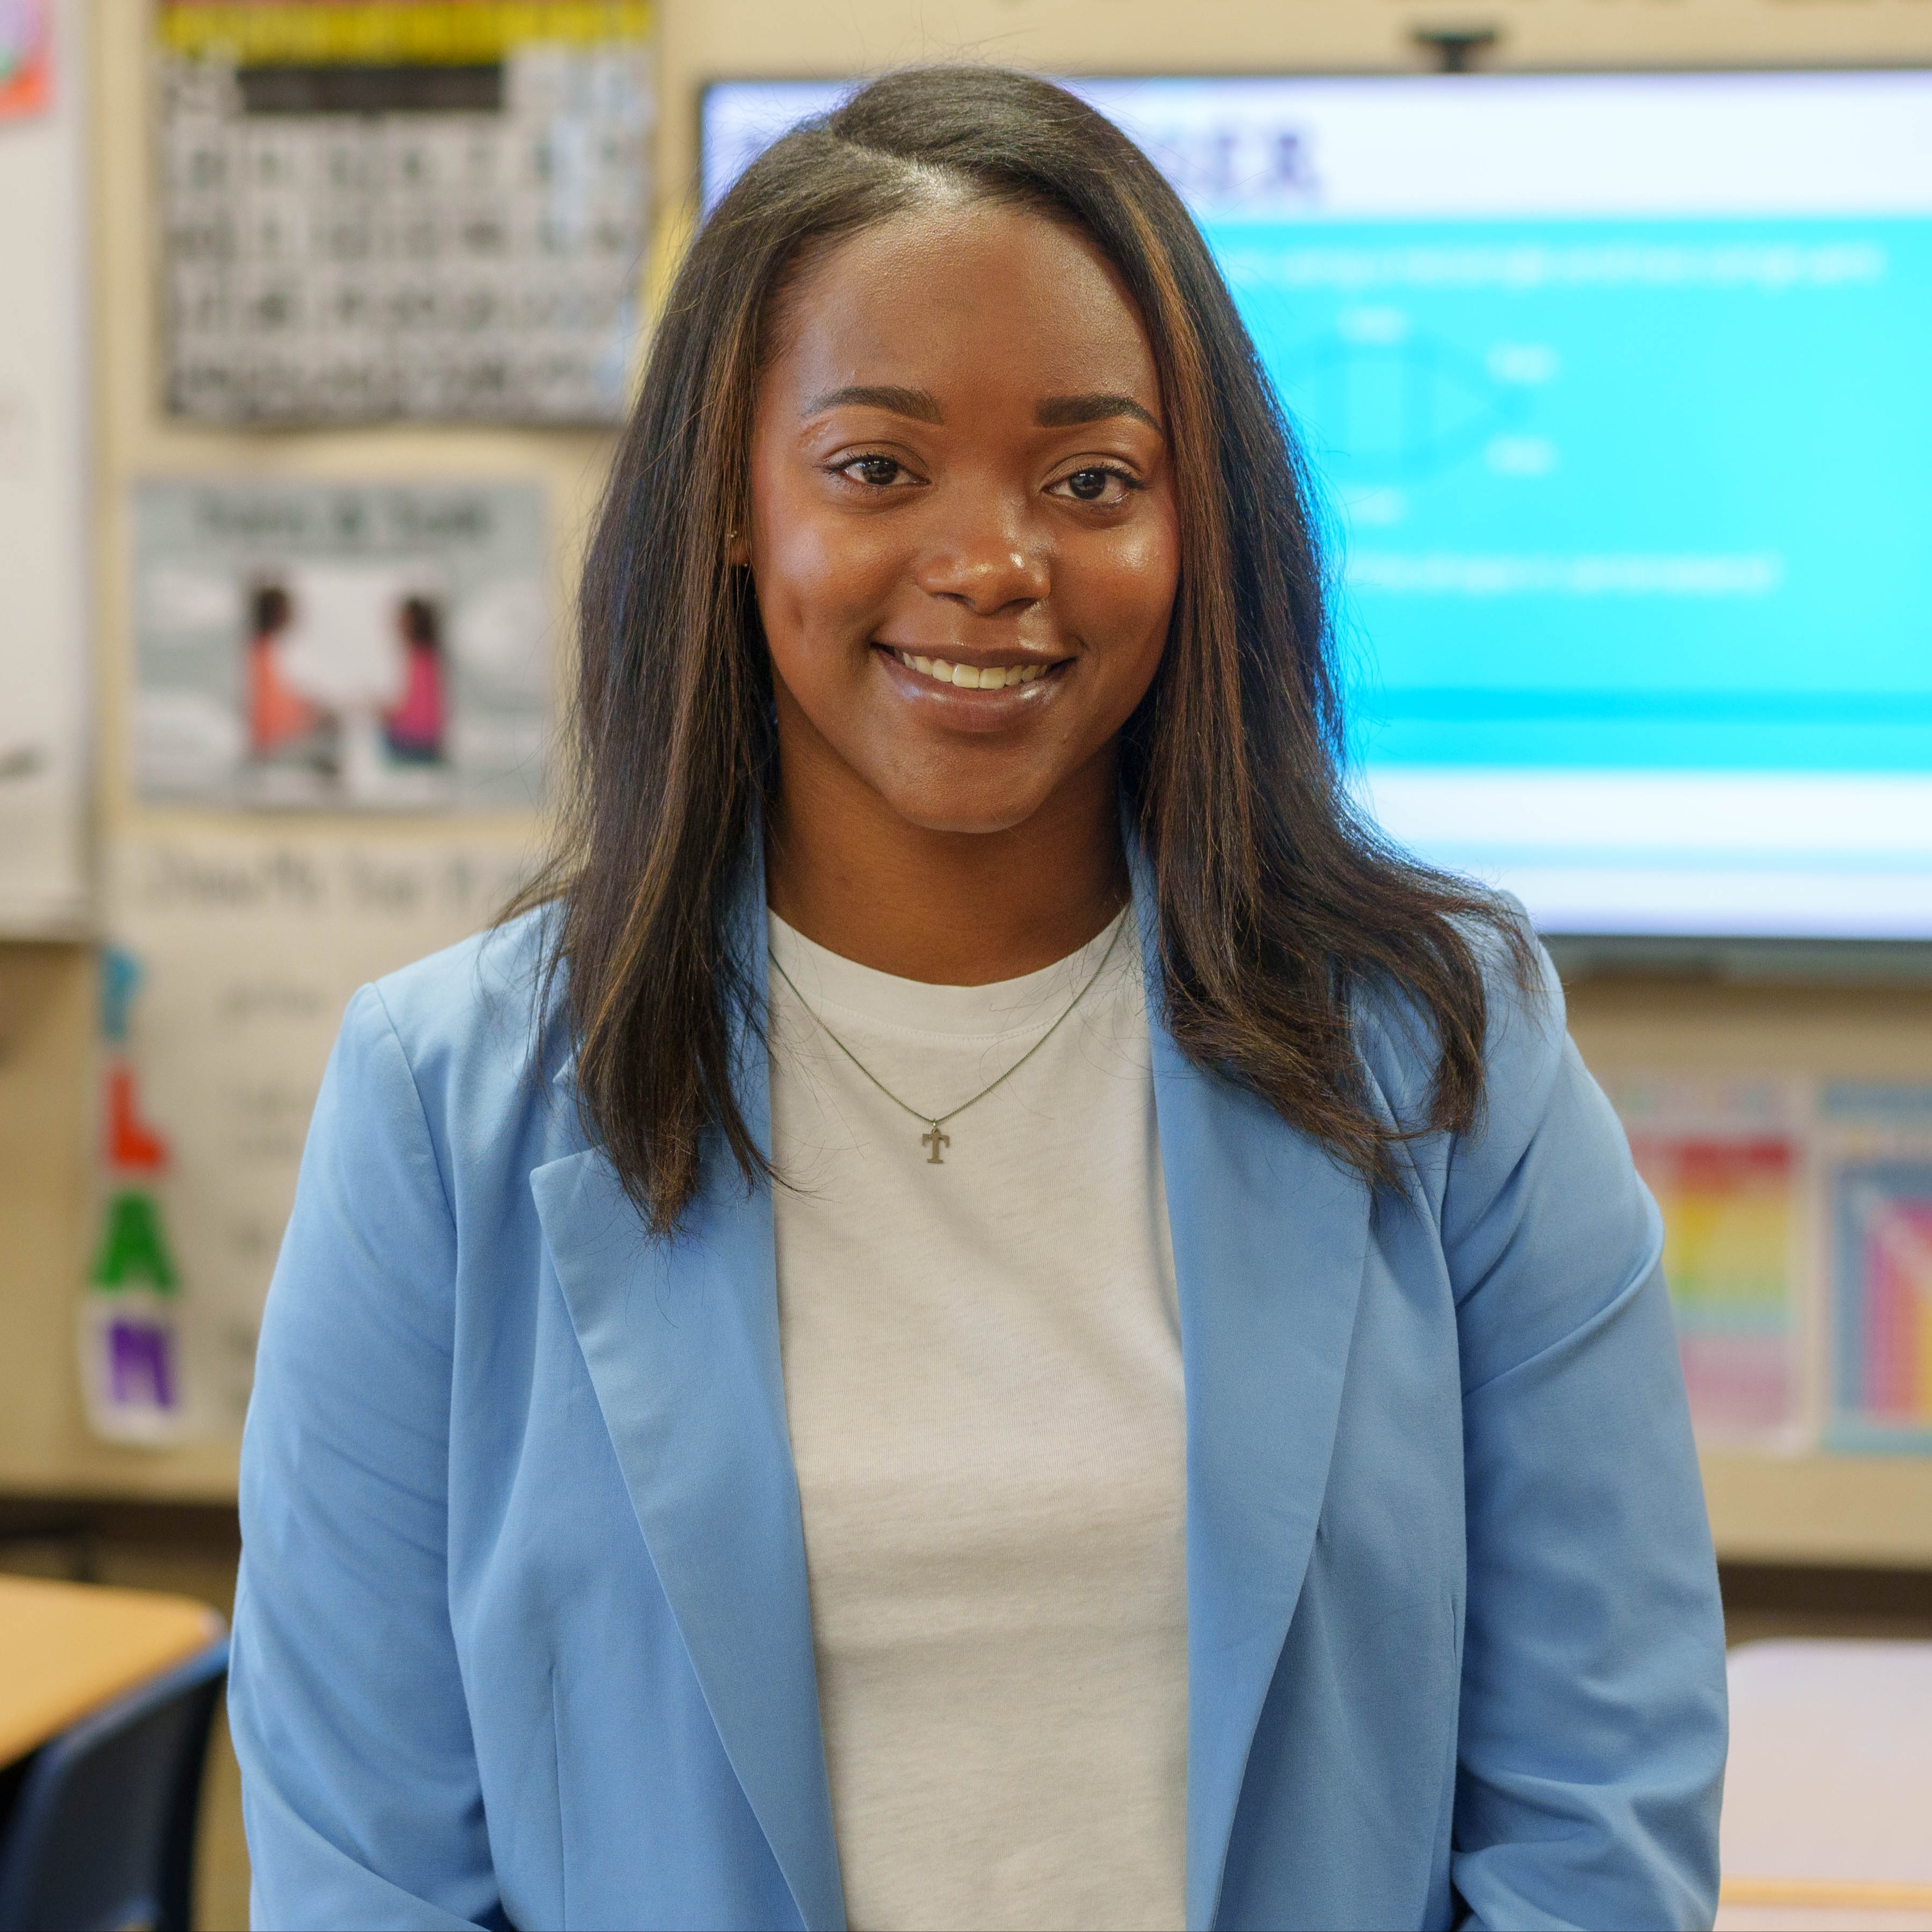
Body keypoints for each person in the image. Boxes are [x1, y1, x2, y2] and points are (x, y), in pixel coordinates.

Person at [229, 67, 1726, 1932]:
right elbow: (367, 1865)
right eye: (875, 467)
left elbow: (1599, 1810)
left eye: (1091, 480)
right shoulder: (443, 1102)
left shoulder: (1447, 1055)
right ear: (730, 505)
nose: (991, 563)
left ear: (1199, 532)